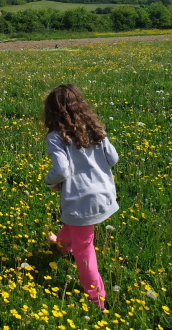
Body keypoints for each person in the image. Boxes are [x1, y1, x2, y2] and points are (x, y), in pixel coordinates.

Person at [43, 84, 119, 310]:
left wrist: (50, 181)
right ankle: (63, 245)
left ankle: (97, 300)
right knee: (78, 228)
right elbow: (113, 158)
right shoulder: (95, 128)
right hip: (105, 196)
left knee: (85, 248)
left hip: (80, 201)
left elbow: (62, 171)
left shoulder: (56, 137)